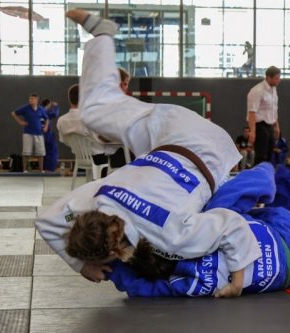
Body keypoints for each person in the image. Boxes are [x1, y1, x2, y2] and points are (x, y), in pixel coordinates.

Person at [35, 10, 258, 297]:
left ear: (116, 250)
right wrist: (80, 263)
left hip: (206, 148)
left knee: (92, 115)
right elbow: (48, 221)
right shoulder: (96, 199)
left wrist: (238, 283)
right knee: (93, 111)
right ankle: (102, 35)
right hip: (174, 130)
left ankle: (103, 34)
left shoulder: (171, 236)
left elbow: (232, 225)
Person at [106, 145, 290, 297]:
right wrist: (266, 170)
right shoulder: (199, 229)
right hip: (284, 231)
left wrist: (111, 269)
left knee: (247, 215)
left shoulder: (180, 284)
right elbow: (245, 190)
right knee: (227, 206)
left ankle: (289, 180)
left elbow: (138, 288)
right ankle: (274, 174)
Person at [57, 84, 118, 169]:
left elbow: (64, 140)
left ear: (69, 99)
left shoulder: (61, 121)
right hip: (101, 158)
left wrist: (82, 149)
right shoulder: (90, 119)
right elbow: (102, 139)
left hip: (81, 157)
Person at [247, 66, 281, 165]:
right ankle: (258, 178)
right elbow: (252, 112)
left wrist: (277, 126)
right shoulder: (257, 91)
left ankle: (267, 177)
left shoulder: (274, 90)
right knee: (261, 155)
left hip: (270, 125)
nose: (279, 81)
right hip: (259, 126)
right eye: (276, 78)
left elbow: (274, 109)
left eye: (279, 78)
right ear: (268, 78)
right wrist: (252, 132)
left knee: (270, 154)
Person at [11, 93, 48, 172]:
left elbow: (46, 118)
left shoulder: (41, 109)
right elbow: (13, 113)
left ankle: (41, 170)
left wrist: (46, 127)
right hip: (28, 133)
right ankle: (25, 170)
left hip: (39, 133)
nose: (30, 100)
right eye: (29, 99)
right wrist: (20, 122)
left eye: (32, 99)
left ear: (37, 100)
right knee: (26, 152)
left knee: (41, 153)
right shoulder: (25, 108)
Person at [40, 98, 60, 172]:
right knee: (51, 150)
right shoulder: (45, 112)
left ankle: (44, 167)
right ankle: (50, 167)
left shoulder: (39, 111)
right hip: (47, 134)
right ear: (48, 104)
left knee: (43, 151)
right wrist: (56, 107)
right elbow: (54, 114)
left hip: (39, 134)